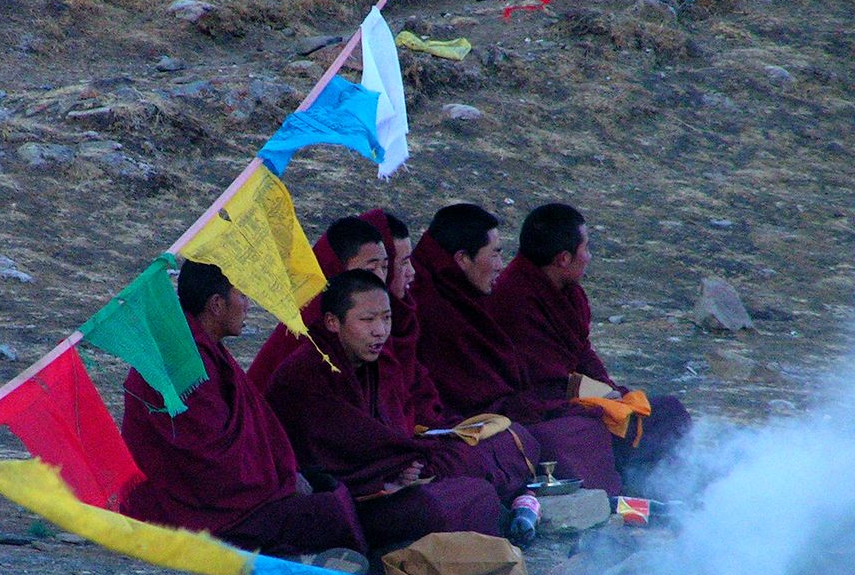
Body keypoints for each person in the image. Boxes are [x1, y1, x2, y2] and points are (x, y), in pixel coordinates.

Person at [266, 270, 537, 549]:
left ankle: (497, 509)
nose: (380, 330)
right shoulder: (305, 376)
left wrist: (404, 465)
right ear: (333, 322)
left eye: (386, 318)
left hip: (393, 479)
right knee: (445, 503)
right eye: (368, 320)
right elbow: (328, 459)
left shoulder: (375, 363)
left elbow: (392, 431)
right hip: (347, 501)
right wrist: (394, 470)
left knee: (509, 441)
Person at [119, 260, 368, 557]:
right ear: (216, 305)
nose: (248, 305)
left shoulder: (200, 347)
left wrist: (286, 475)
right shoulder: (183, 362)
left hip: (225, 494)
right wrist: (280, 482)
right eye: (242, 296)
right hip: (188, 513)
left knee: (327, 488)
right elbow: (209, 462)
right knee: (329, 512)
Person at [409, 203, 623, 495]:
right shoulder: (433, 309)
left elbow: (573, 354)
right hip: (461, 430)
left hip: (506, 417)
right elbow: (474, 398)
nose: (500, 264)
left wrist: (605, 393)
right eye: (494, 253)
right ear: (462, 259)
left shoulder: (472, 297)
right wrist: (571, 405)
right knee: (562, 434)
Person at [486, 202, 691, 488]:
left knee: (668, 412)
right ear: (564, 259)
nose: (589, 256)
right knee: (583, 432)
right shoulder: (514, 298)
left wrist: (611, 392)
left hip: (572, 397)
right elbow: (543, 383)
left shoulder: (568, 292)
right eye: (586, 248)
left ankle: (661, 486)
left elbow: (582, 352)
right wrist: (598, 402)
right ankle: (619, 491)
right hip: (538, 410)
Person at [247, 215, 390, 393]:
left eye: (385, 267)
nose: (381, 278)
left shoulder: (377, 311)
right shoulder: (313, 322)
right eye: (370, 270)